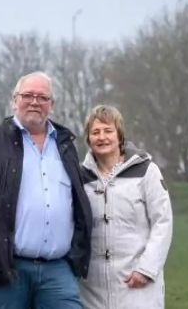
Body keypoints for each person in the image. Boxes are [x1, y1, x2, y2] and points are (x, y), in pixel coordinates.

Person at [0, 71, 93, 309]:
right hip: (8, 268)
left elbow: (78, 202)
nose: (35, 102)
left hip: (58, 269)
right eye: (27, 95)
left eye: (42, 97)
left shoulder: (65, 146)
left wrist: (76, 254)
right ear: (14, 100)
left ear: (52, 104)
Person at [79, 104, 173, 309]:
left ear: (119, 135)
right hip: (91, 289)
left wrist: (147, 269)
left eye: (108, 131)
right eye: (95, 132)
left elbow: (163, 222)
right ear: (88, 139)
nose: (102, 137)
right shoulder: (79, 177)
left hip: (138, 284)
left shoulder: (147, 171)